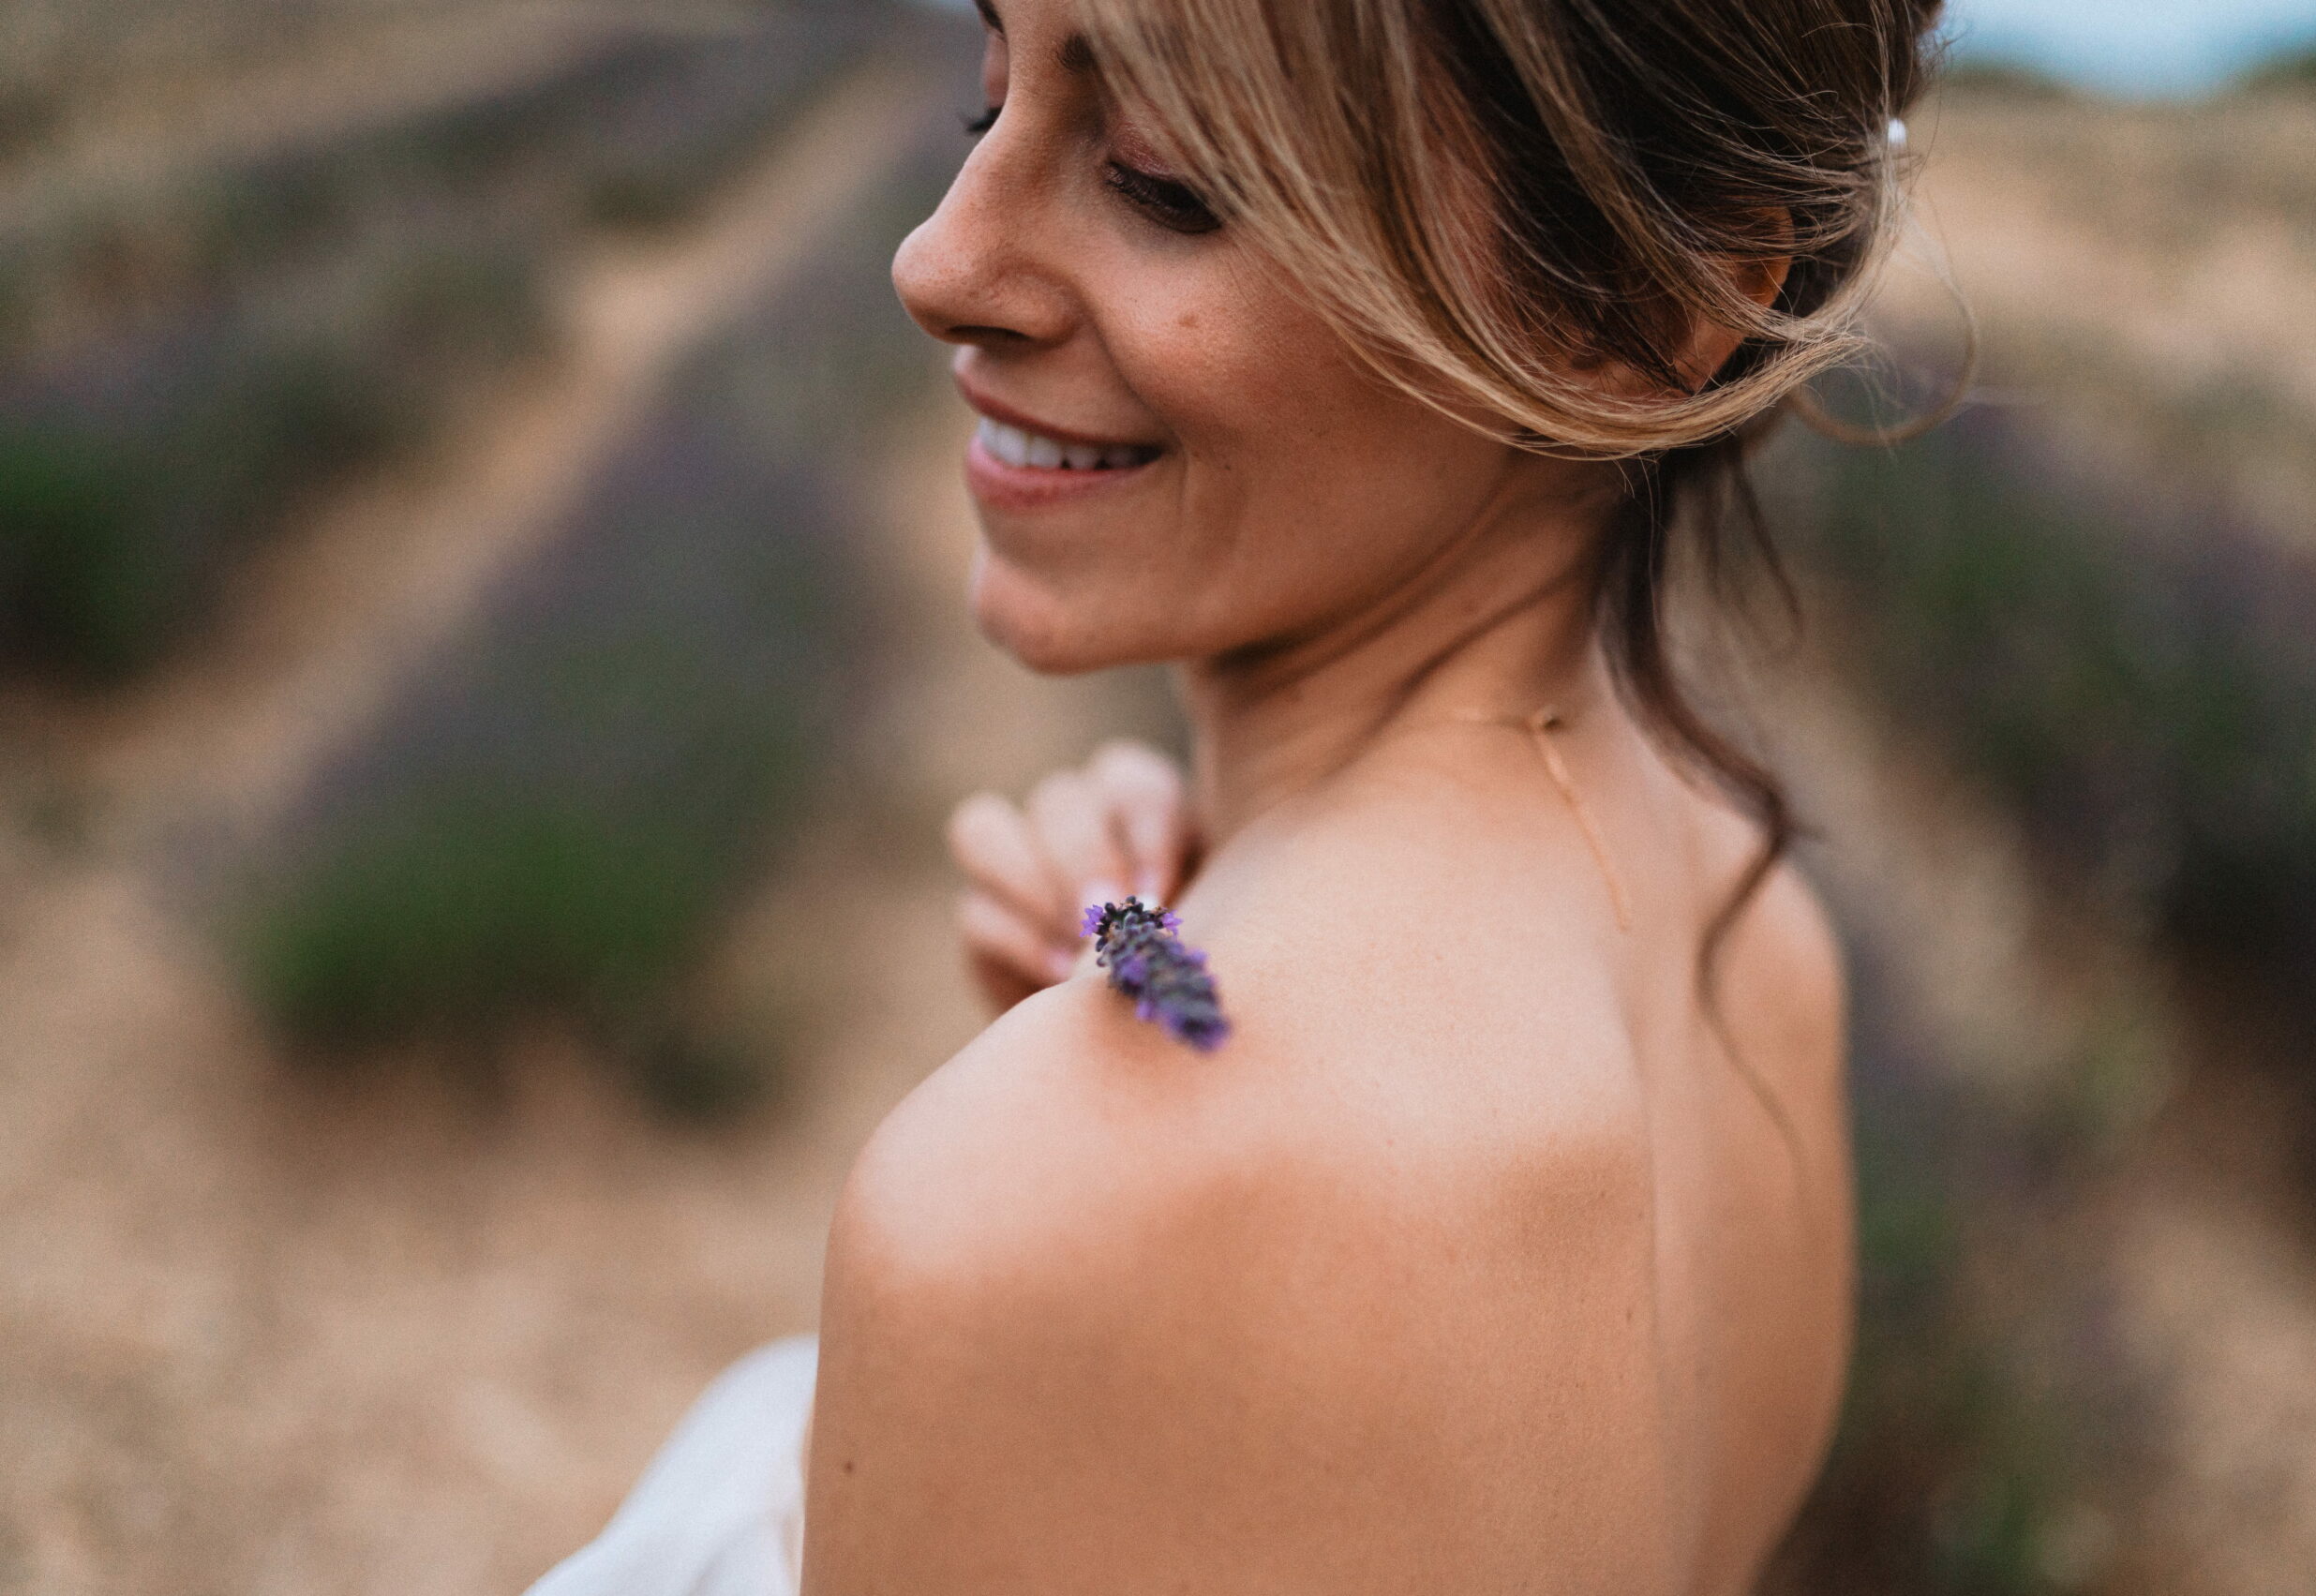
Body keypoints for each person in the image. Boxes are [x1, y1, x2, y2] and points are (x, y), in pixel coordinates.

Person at [530, 0, 1941, 1589]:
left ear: (1637, 304)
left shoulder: (1077, 1201)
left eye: (1162, 175)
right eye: (988, 100)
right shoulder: (1755, 944)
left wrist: (1073, 1148)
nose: (937, 264)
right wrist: (1131, 967)